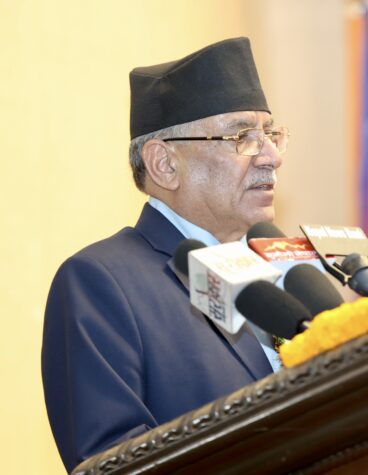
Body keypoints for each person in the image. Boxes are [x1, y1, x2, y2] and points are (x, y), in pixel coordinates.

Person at [41, 37, 288, 472]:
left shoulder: (281, 268)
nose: (271, 156)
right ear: (165, 165)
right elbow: (112, 461)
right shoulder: (103, 282)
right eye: (242, 137)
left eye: (270, 134)